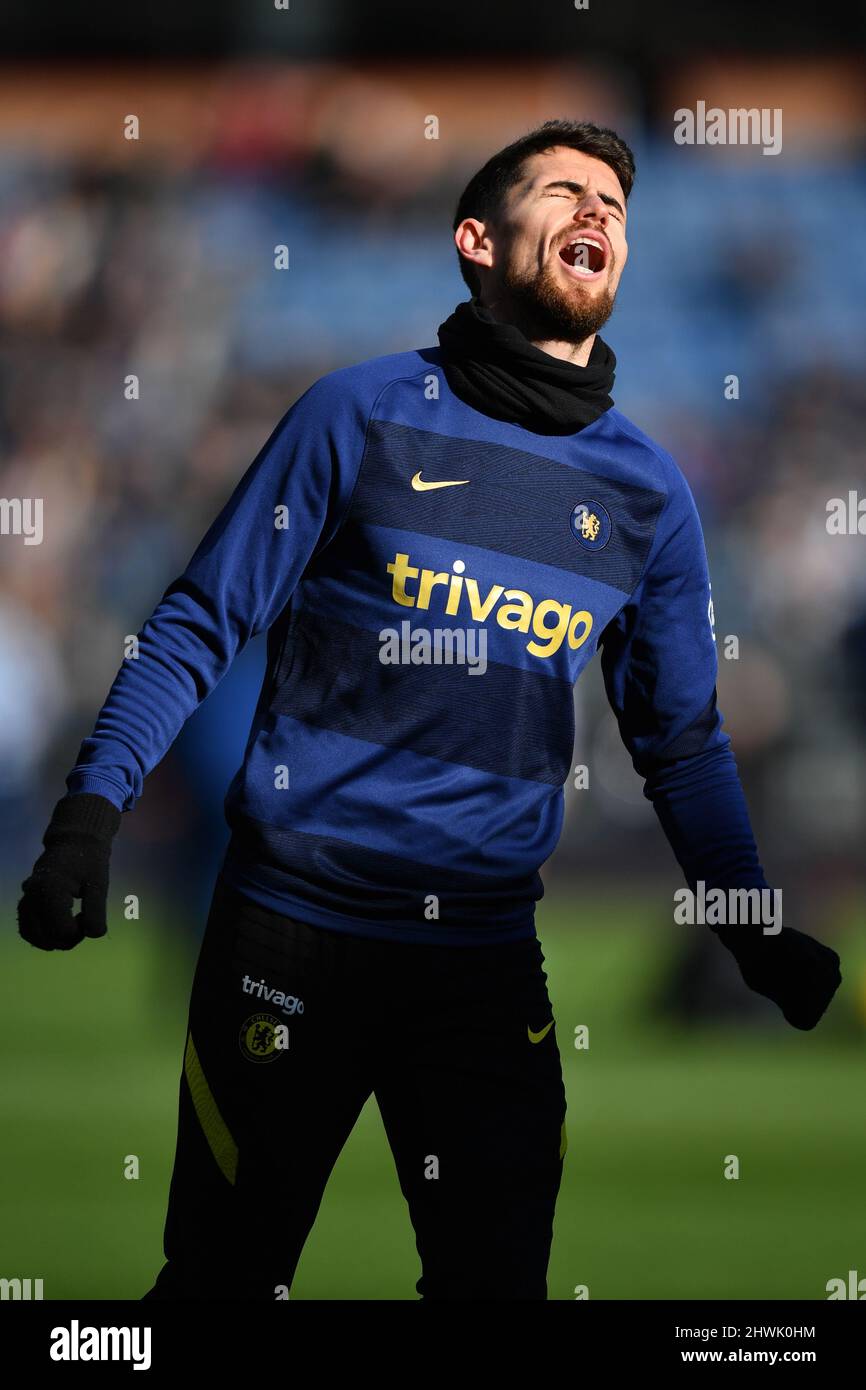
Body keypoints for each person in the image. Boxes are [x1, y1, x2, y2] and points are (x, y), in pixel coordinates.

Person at [17, 120, 841, 1301]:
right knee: (215, 1287)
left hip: (485, 960)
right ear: (474, 240)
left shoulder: (649, 493)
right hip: (289, 932)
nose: (598, 211)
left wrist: (749, 922)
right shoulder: (353, 415)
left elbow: (682, 741)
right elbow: (199, 621)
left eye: (613, 200)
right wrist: (88, 816)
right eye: (562, 191)